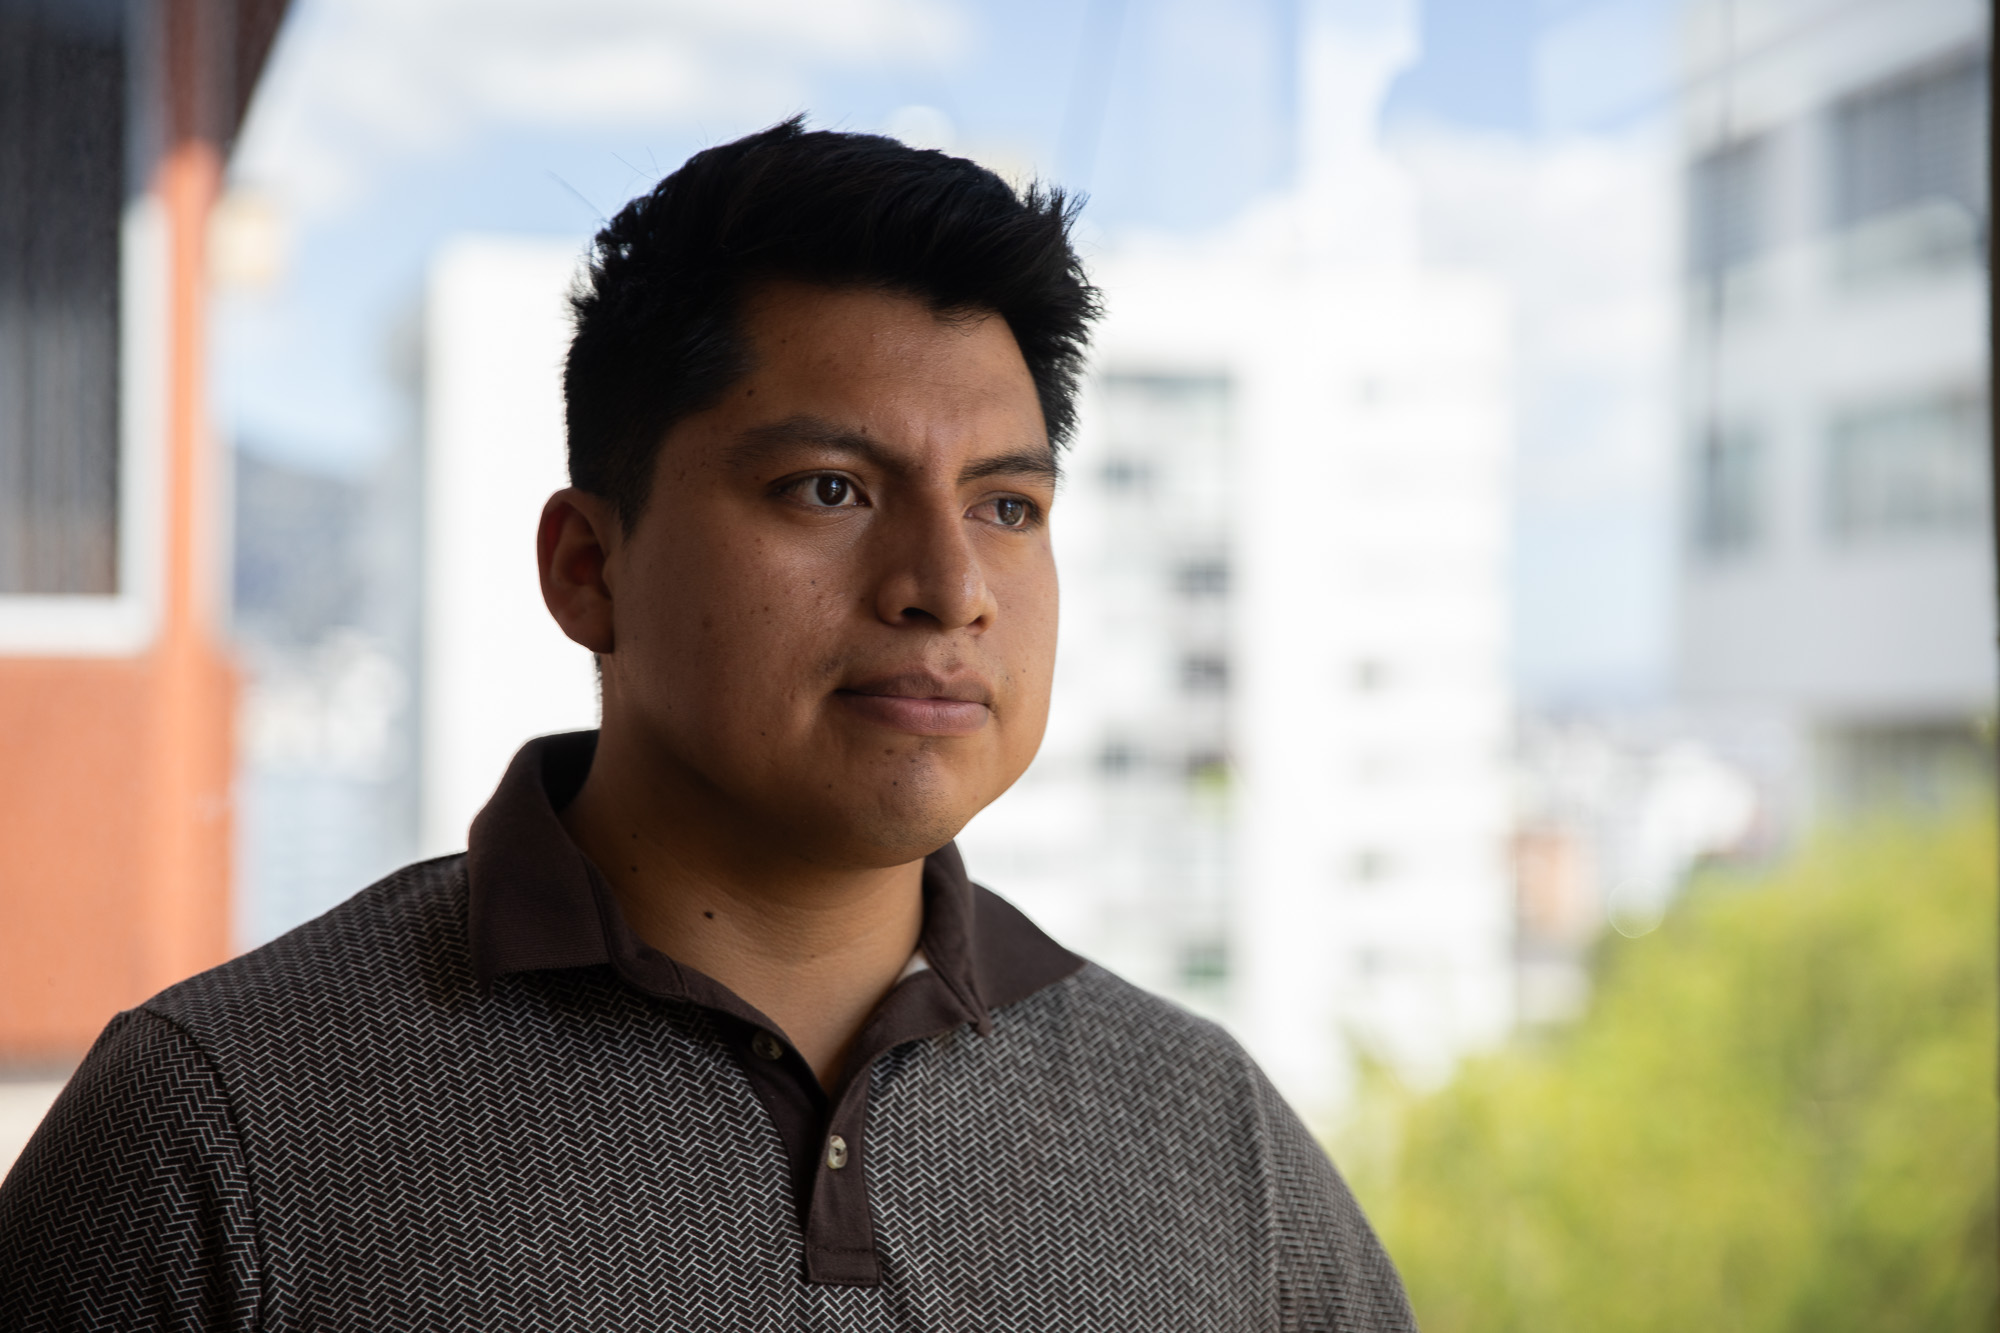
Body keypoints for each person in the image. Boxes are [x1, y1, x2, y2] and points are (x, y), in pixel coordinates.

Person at [0, 118, 1415, 1331]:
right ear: (587, 566)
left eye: (1007, 505)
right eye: (828, 489)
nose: (948, 588)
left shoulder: (1212, 1140)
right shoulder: (216, 1126)